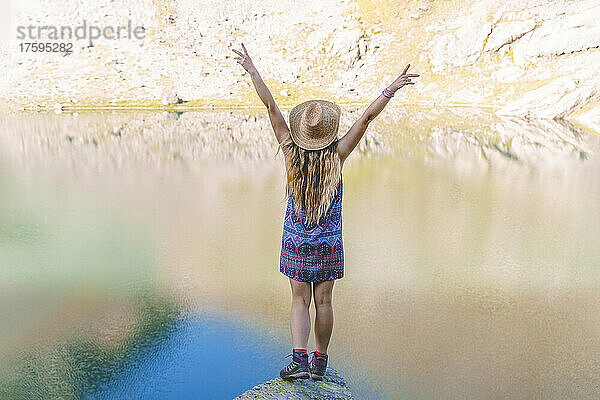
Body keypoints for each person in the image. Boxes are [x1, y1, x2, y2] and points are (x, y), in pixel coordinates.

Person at [232, 43, 419, 381]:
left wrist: (253, 71)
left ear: (301, 131)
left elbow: (270, 106)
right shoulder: (339, 154)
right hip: (330, 241)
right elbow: (366, 118)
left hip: (297, 239)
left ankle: (299, 361)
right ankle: (320, 363)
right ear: (327, 132)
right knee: (325, 301)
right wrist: (389, 91)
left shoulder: (290, 151)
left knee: (299, 300)